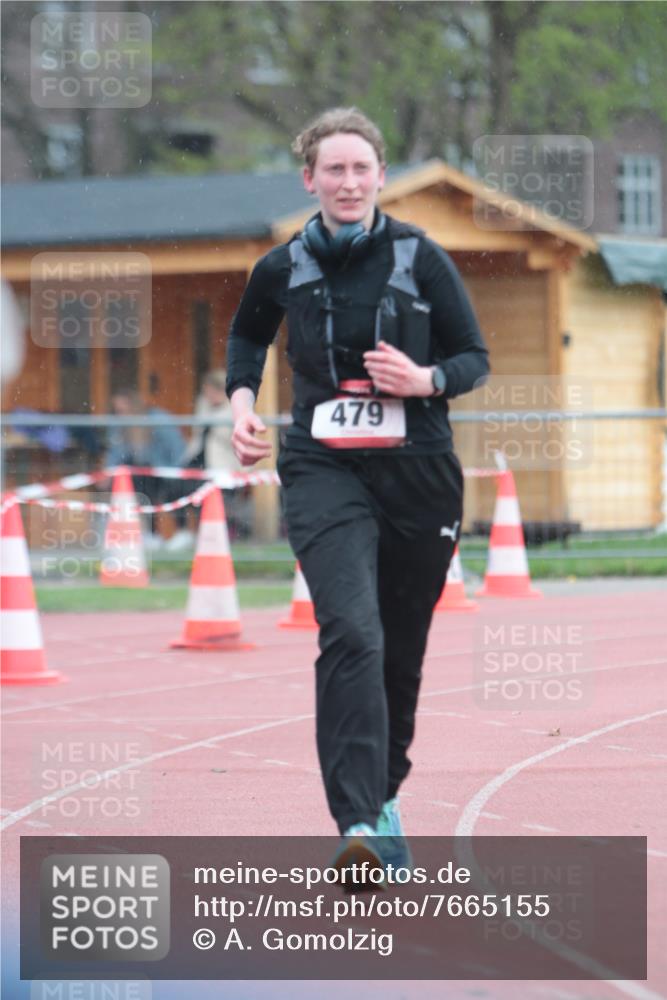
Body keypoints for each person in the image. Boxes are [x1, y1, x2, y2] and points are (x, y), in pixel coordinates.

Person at [226, 107, 489, 883]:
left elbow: (473, 356)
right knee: (352, 631)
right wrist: (243, 406)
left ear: (380, 176)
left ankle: (382, 804)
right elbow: (246, 338)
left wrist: (425, 380)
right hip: (322, 467)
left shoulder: (420, 257)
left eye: (360, 168)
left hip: (418, 472)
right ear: (309, 178)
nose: (347, 182)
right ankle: (357, 823)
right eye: (332, 169)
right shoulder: (283, 266)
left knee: (398, 654)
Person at [106, 388, 186, 550]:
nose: (120, 414)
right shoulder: (121, 426)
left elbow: (177, 446)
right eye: (117, 411)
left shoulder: (158, 419)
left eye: (123, 409)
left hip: (167, 469)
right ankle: (151, 534)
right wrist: (108, 471)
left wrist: (177, 471)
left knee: (173, 494)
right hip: (142, 472)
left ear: (133, 405)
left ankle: (182, 532)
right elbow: (116, 451)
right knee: (140, 493)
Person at [174, 369, 243, 549]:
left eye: (212, 390)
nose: (208, 395)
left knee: (210, 494)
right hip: (198, 459)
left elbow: (229, 437)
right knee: (175, 486)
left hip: (222, 465)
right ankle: (184, 532)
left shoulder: (234, 408)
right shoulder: (203, 405)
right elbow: (197, 433)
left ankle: (219, 534)